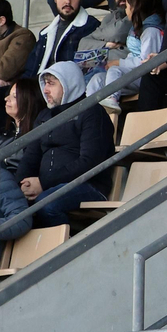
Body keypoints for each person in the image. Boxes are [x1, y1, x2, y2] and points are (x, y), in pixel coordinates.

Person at [15, 62, 113, 226]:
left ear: (69, 84)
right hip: (47, 187)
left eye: (51, 83)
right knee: (6, 206)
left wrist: (43, 183)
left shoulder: (92, 112)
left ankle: (64, 246)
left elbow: (89, 162)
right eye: (45, 83)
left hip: (88, 185)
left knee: (44, 205)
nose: (45, 90)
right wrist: (20, 185)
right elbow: (30, 158)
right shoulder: (44, 116)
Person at [82, 0, 161, 108]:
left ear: (135, 8)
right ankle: (89, 109)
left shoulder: (151, 31)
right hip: (130, 74)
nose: (126, 10)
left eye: (128, 6)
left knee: (114, 70)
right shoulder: (136, 29)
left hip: (143, 78)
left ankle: (112, 100)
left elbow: (146, 63)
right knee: (98, 78)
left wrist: (119, 63)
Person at [0, 78, 43, 243]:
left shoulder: (38, 134)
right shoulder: (3, 133)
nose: (6, 99)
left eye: (14, 96)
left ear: (28, 100)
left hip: (13, 189)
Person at [27, 0, 98, 79]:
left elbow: (88, 69)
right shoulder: (46, 33)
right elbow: (30, 68)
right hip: (37, 86)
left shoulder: (91, 27)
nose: (68, 1)